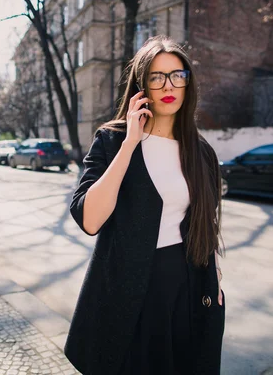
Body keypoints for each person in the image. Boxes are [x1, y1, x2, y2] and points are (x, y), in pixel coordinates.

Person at [66, 36, 225, 375]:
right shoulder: (111, 140)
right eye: (156, 76)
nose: (168, 85)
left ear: (187, 83)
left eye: (176, 75)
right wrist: (130, 144)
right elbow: (90, 220)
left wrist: (216, 278)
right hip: (128, 289)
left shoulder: (201, 152)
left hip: (187, 284)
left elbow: (203, 225)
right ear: (142, 86)